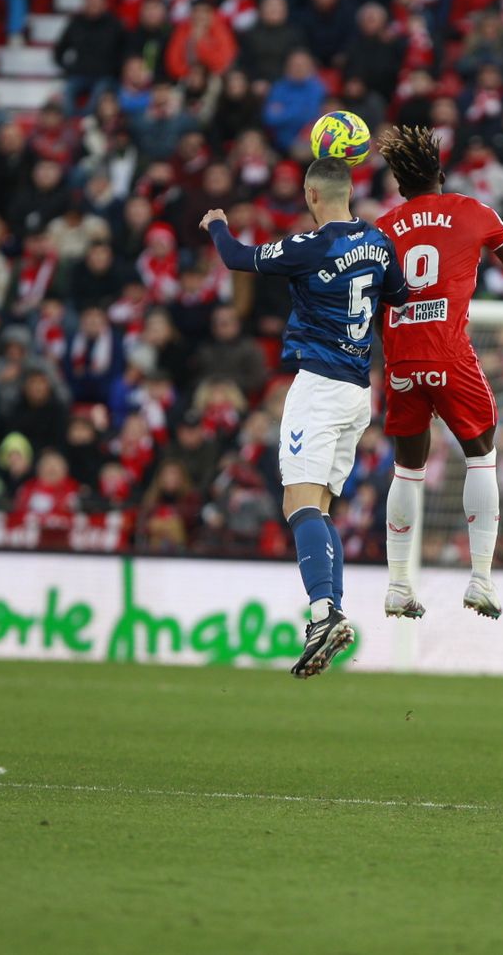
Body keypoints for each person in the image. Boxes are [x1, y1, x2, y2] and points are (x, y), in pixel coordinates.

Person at [201, 158, 408, 678]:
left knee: (298, 503)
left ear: (313, 196)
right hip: (360, 392)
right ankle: (329, 612)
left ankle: (322, 613)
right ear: (350, 192)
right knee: (320, 506)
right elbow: (399, 295)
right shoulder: (379, 241)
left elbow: (237, 258)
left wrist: (217, 224)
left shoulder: (308, 246)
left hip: (319, 387)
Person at [374, 126, 503, 620]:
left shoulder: (381, 227)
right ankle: (481, 578)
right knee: (482, 454)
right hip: (448, 352)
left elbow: (368, 300)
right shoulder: (474, 211)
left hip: (401, 357)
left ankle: (398, 585)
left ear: (399, 185)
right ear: (441, 175)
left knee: (407, 468)